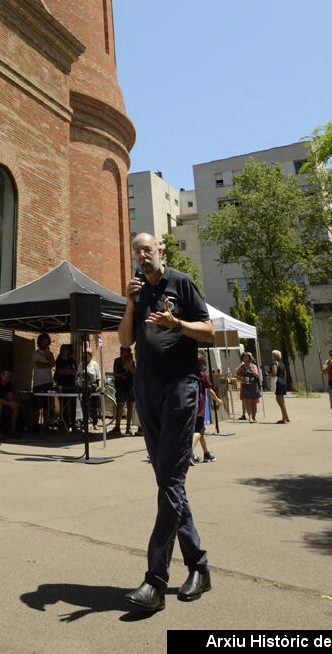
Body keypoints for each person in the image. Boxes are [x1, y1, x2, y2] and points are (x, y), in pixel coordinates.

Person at [120, 233, 213, 614]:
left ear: (161, 251)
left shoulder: (182, 283)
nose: (142, 256)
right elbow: (125, 341)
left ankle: (155, 581)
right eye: (136, 252)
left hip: (180, 387)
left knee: (171, 480)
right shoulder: (138, 293)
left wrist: (177, 323)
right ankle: (199, 567)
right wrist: (128, 301)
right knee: (167, 478)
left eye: (147, 249)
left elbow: (208, 331)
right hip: (147, 388)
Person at [190, 361, 222, 464]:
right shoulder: (202, 375)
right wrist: (217, 400)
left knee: (201, 432)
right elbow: (210, 390)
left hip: (190, 406)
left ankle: (206, 454)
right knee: (198, 431)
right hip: (199, 407)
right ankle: (188, 453)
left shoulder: (189, 374)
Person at [32, 333, 55, 426]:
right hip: (38, 383)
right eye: (43, 341)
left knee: (47, 406)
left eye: (47, 341)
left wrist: (48, 354)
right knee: (38, 406)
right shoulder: (36, 353)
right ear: (40, 342)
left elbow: (53, 364)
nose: (45, 343)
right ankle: (35, 425)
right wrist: (48, 365)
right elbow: (39, 365)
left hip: (48, 382)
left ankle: (46, 425)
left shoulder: (49, 353)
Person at [111, 346, 136, 436]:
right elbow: (114, 372)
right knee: (120, 406)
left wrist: (129, 366)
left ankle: (128, 427)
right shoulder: (117, 360)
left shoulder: (131, 361)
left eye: (124, 350)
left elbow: (135, 373)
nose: (122, 352)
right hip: (120, 385)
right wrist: (121, 375)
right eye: (122, 350)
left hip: (130, 385)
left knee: (130, 407)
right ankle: (117, 427)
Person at [54, 343, 78, 430]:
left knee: (72, 405)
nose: (64, 351)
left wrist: (67, 371)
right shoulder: (59, 360)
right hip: (62, 386)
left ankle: (73, 424)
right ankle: (64, 424)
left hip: (71, 385)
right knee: (64, 406)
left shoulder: (71, 360)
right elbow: (60, 372)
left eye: (66, 349)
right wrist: (69, 371)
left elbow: (75, 371)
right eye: (63, 349)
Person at [0, 369, 19, 439]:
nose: (7, 377)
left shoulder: (8, 383)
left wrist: (12, 403)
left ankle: (12, 430)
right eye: (5, 375)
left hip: (1, 401)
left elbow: (10, 397)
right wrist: (9, 403)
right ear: (1, 375)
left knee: (15, 405)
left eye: (9, 376)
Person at [235, 353, 262, 422]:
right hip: (245, 386)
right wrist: (240, 378)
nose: (245, 359)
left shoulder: (253, 366)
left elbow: (258, 376)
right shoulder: (242, 366)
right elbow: (236, 374)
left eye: (247, 358)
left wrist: (253, 372)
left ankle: (254, 417)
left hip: (253, 386)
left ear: (249, 358)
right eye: (244, 358)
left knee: (254, 402)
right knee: (248, 402)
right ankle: (250, 417)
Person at [79, 349, 101, 428]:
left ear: (91, 356)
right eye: (85, 354)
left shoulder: (94, 364)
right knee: (85, 405)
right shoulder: (82, 364)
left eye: (87, 354)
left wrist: (99, 386)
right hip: (83, 386)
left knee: (94, 405)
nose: (86, 356)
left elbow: (98, 376)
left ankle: (95, 423)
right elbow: (78, 374)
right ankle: (85, 422)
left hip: (92, 386)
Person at [270, 350, 290, 423]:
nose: (271, 357)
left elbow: (274, 373)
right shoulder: (282, 364)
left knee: (279, 401)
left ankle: (284, 418)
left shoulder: (274, 363)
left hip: (278, 381)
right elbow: (285, 375)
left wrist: (269, 374)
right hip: (283, 381)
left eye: (272, 355)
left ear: (275, 356)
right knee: (282, 401)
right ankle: (286, 417)